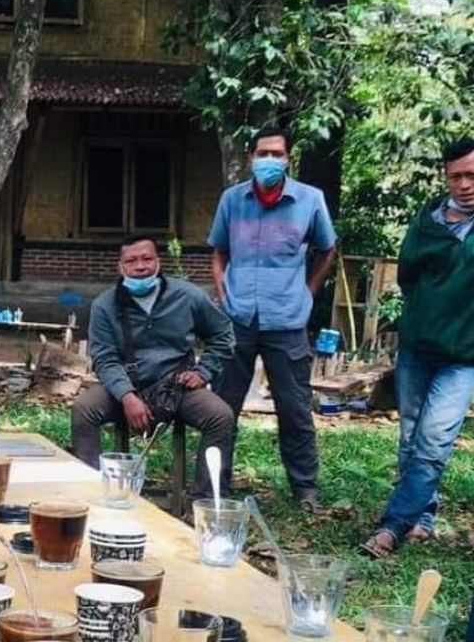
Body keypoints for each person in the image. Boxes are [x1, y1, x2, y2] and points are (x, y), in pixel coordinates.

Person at [208, 127, 337, 510]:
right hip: (238, 318)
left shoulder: (310, 200)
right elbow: (218, 252)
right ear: (251, 157)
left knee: (295, 408)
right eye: (262, 153)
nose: (269, 160)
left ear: (288, 159)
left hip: (287, 320)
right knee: (221, 408)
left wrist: (308, 292)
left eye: (276, 153)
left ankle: (305, 490)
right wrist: (222, 291)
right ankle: (214, 485)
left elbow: (327, 249)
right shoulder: (232, 200)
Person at [360, 138, 474, 559]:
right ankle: (423, 515)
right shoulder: (427, 220)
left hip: (464, 358)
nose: (464, 184)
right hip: (418, 348)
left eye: (472, 175)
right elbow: (408, 275)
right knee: (410, 437)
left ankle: (393, 526)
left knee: (433, 441)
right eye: (456, 176)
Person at [72, 235, 236, 501]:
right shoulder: (105, 305)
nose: (140, 266)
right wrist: (126, 396)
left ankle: (205, 501)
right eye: (131, 260)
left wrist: (204, 371)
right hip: (125, 385)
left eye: (147, 258)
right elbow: (103, 357)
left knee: (221, 416)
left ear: (158, 262)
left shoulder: (188, 295)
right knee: (84, 409)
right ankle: (90, 494)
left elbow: (223, 334)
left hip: (177, 387)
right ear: (120, 267)